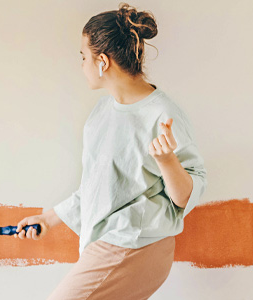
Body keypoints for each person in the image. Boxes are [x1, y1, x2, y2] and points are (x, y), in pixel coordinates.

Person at [14, 2, 207, 299]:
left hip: (135, 244)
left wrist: (167, 160)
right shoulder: (101, 113)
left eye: (83, 57)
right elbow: (100, 187)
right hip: (108, 241)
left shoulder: (163, 113)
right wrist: (49, 219)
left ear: (102, 62)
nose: (81, 65)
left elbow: (184, 198)